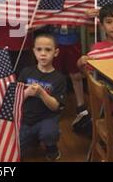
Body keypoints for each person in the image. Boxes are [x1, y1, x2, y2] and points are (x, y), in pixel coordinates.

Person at [37, 0, 93, 132]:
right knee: (56, 75)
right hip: (54, 43)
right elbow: (40, 17)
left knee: (75, 75)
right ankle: (56, 104)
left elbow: (89, 16)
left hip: (73, 41)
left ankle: (81, 106)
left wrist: (90, 13)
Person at [18, 33, 66, 161]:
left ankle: (51, 148)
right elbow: (15, 99)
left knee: (49, 133)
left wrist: (42, 93)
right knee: (16, 151)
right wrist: (27, 92)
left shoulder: (59, 78)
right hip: (26, 120)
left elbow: (56, 106)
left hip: (46, 119)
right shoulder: (26, 72)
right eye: (39, 49)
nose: (43, 53)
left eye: (48, 50)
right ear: (34, 51)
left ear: (55, 52)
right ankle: (33, 139)